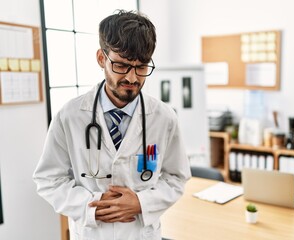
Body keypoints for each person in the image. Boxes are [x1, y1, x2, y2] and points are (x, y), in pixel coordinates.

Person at [33, 10, 191, 240]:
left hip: (140, 233)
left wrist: (141, 202)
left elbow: (177, 177)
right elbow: (48, 179)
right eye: (121, 65)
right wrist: (90, 206)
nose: (132, 78)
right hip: (92, 233)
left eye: (142, 66)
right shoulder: (70, 116)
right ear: (101, 58)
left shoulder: (164, 117)